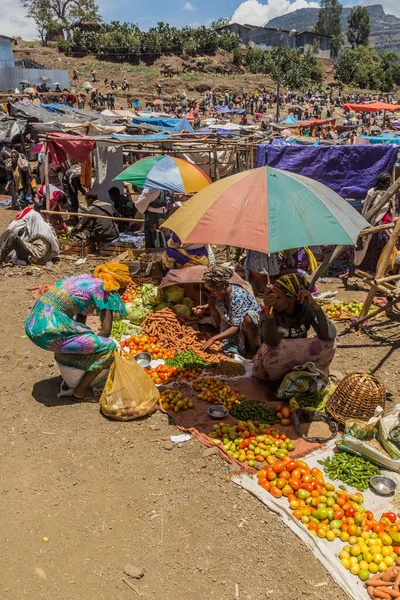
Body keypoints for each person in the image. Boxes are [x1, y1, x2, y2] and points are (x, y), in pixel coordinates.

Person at [25, 263, 131, 401]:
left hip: (35, 324)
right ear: (119, 285)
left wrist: (86, 343)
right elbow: (106, 331)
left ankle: (74, 375)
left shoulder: (86, 280)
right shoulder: (105, 288)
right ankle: (81, 390)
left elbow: (81, 319)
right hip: (48, 330)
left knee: (86, 337)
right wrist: (96, 353)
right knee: (109, 346)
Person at [253, 272, 336, 384]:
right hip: (275, 365)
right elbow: (271, 342)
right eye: (272, 295)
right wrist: (269, 316)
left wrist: (314, 305)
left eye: (278, 298)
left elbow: (328, 335)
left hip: (298, 361)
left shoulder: (306, 309)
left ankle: (303, 375)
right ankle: (278, 382)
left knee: (330, 342)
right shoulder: (271, 311)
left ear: (291, 299)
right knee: (273, 350)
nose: (273, 300)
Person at [202, 265, 260, 357]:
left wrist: (213, 339)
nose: (212, 294)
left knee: (249, 319)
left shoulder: (238, 296)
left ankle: (251, 350)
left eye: (214, 291)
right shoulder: (219, 297)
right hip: (232, 325)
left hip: (251, 329)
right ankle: (223, 334)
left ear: (224, 286)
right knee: (211, 300)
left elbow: (236, 327)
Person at [354, 172, 397, 275]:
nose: (390, 185)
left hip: (380, 227)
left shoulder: (373, 193)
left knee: (373, 252)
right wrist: (388, 233)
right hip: (379, 229)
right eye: (389, 183)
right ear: (386, 182)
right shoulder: (380, 195)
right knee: (381, 251)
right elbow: (377, 218)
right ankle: (378, 273)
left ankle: (377, 272)